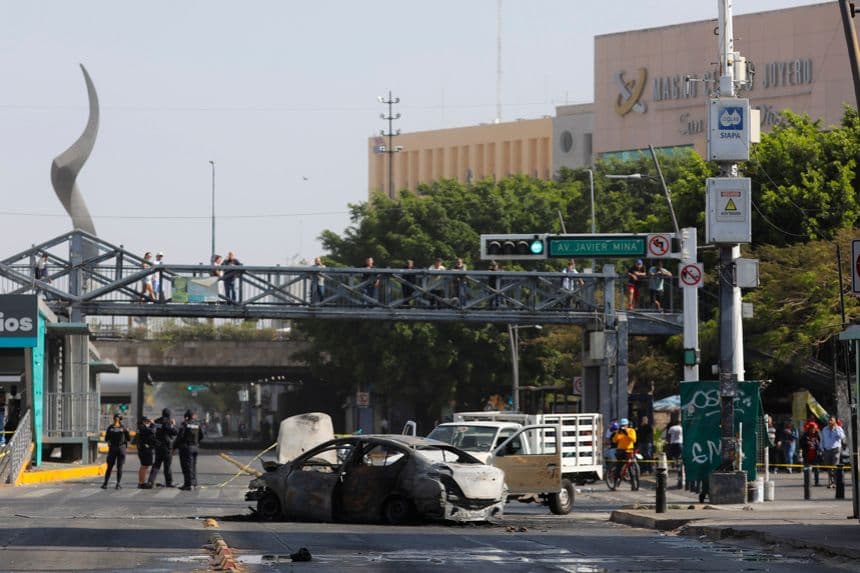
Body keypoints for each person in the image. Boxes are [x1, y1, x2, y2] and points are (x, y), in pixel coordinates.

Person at [148, 408, 178, 488]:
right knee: (167, 466)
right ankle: (169, 483)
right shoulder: (168, 422)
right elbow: (175, 432)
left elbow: (151, 430)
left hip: (158, 446)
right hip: (167, 447)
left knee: (156, 465)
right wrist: (173, 424)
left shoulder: (156, 421)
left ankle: (150, 482)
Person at [176, 409, 204, 490]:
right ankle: (194, 483)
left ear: (186, 416)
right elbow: (201, 435)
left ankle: (188, 485)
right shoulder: (197, 424)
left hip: (186, 448)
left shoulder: (185, 424)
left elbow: (180, 437)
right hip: (195, 447)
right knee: (193, 466)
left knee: (187, 467)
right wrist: (196, 442)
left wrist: (174, 447)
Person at [102, 414, 130, 489]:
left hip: (113, 449)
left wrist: (109, 442)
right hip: (121, 448)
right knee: (119, 467)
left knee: (110, 467)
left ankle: (106, 483)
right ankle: (117, 484)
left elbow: (106, 438)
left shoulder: (110, 428)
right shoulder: (123, 428)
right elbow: (129, 438)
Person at [610, 418, 638, 490]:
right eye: (622, 425)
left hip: (629, 451)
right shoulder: (619, 432)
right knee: (619, 467)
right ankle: (615, 484)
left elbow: (634, 440)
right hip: (620, 451)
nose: (623, 427)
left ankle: (633, 485)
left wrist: (626, 433)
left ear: (627, 425)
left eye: (624, 425)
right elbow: (614, 440)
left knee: (630, 467)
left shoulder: (631, 430)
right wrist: (618, 433)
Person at [820, 416, 846, 488]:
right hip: (827, 449)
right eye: (829, 420)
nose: (829, 422)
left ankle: (835, 482)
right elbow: (822, 439)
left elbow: (842, 436)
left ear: (835, 421)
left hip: (836, 449)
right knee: (829, 467)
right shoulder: (825, 429)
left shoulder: (839, 428)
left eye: (831, 420)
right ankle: (830, 482)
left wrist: (836, 428)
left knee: (834, 466)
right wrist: (821, 448)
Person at [135, 417, 156, 489]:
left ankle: (142, 482)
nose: (148, 422)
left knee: (144, 466)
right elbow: (152, 431)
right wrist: (153, 424)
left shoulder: (141, 427)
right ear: (144, 422)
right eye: (147, 421)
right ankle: (141, 483)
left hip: (143, 449)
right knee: (144, 466)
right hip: (144, 449)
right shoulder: (142, 427)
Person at [799, 420, 821, 486]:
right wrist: (806, 443)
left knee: (816, 469)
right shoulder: (804, 436)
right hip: (807, 455)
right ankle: (807, 482)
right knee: (806, 470)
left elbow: (820, 443)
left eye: (814, 428)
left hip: (815, 455)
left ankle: (817, 482)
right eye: (811, 428)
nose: (812, 430)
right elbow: (801, 444)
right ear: (808, 429)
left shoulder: (817, 435)